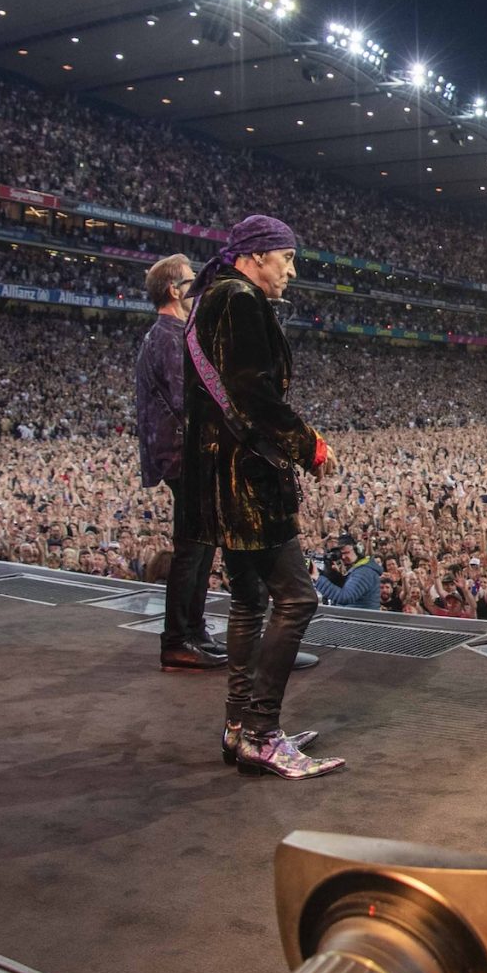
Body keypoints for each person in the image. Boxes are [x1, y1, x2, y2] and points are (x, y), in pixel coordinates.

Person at [183, 216, 340, 779]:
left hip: (218, 475)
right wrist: (308, 446)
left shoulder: (208, 299)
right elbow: (253, 392)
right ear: (254, 257)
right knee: (297, 599)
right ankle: (261, 733)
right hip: (249, 479)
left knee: (250, 603)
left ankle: (237, 727)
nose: (292, 271)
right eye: (287, 258)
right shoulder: (241, 301)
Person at [133, 255, 227, 671]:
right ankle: (177, 638)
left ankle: (193, 629)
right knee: (192, 547)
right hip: (182, 454)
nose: (198, 289)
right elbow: (188, 399)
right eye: (192, 282)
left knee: (202, 544)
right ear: (174, 289)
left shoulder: (173, 334)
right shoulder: (167, 337)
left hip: (183, 453)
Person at [316, 535, 382, 608]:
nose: (343, 557)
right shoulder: (357, 569)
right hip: (354, 617)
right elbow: (345, 587)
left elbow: (345, 597)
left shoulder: (364, 571)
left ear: (358, 550)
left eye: (346, 553)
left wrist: (317, 578)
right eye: (341, 554)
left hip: (359, 618)